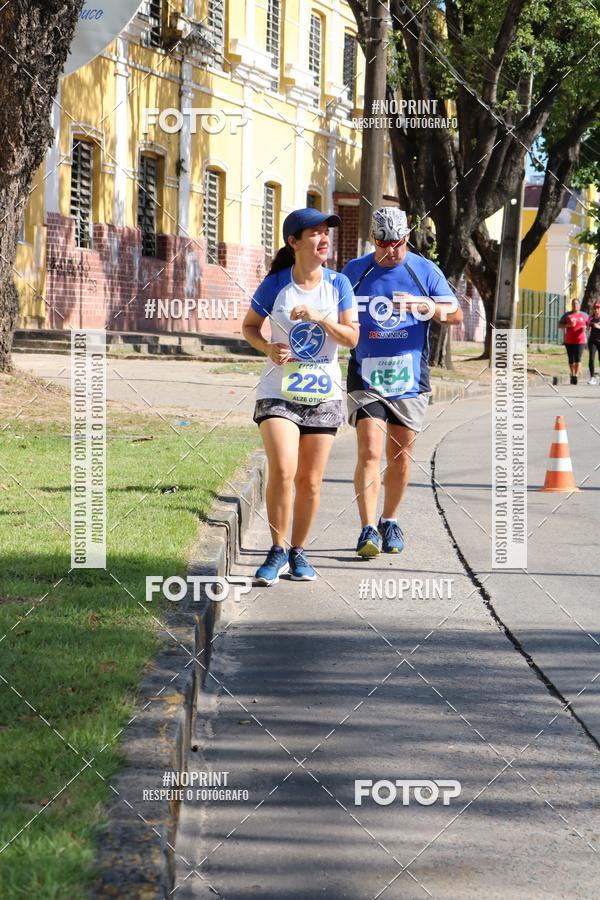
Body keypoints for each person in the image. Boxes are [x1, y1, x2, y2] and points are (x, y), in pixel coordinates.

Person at [242, 208, 359, 585]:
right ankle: (276, 550)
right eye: (314, 233)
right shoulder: (276, 283)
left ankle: (299, 551)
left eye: (326, 233)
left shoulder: (339, 285)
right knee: (284, 468)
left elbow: (352, 338)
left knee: (310, 481)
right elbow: (248, 327)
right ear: (293, 242)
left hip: (324, 394)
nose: (324, 239)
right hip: (278, 390)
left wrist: (319, 318)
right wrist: (266, 347)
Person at [342, 207, 463, 558]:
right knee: (368, 448)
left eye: (396, 243)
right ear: (372, 240)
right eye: (382, 243)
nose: (389, 250)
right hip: (365, 374)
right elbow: (332, 309)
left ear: (406, 238)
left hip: (409, 376)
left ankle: (389, 519)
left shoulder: (423, 270)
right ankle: (367, 529)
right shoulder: (355, 271)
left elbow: (454, 313)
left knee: (401, 456)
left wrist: (423, 306)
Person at [558, 299, 588, 384]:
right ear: (572, 305)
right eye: (574, 304)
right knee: (571, 359)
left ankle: (576, 376)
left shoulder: (584, 315)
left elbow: (589, 325)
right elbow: (560, 325)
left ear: (579, 305)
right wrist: (569, 325)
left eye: (577, 304)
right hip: (569, 340)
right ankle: (572, 373)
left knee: (578, 358)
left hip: (581, 340)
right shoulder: (567, 315)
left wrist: (585, 329)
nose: (575, 306)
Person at [586, 301, 600, 384]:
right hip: (592, 341)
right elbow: (587, 328)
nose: (596, 310)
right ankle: (592, 377)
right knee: (591, 358)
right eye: (595, 308)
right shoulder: (591, 317)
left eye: (598, 308)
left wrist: (597, 326)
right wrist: (588, 327)